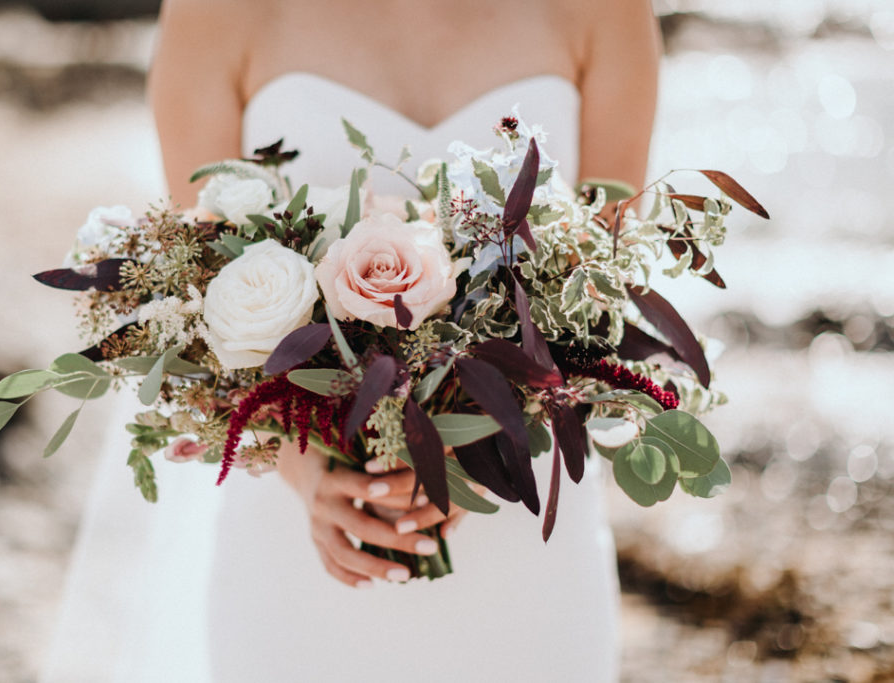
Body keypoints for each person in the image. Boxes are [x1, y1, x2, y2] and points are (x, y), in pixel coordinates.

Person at [43, 1, 659, 680]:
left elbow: (603, 284)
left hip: (520, 527)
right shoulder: (214, 12)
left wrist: (476, 433)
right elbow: (203, 295)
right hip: (300, 539)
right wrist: (308, 473)